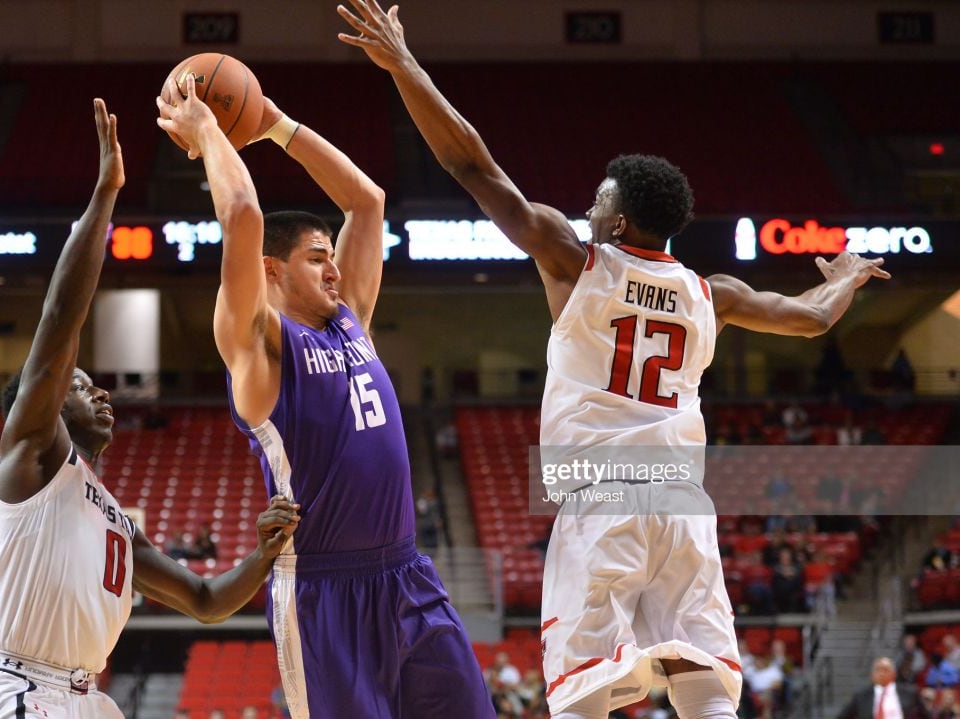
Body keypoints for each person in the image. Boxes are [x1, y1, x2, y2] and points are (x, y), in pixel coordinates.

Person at [337, 4, 891, 717]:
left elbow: (470, 163)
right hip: (683, 503)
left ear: (620, 220)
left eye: (600, 197)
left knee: (582, 689)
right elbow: (812, 317)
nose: (590, 204)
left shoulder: (578, 262)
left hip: (604, 498)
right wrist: (844, 275)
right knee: (701, 678)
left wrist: (404, 66)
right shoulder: (709, 291)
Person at [156, 75, 492, 719]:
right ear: (271, 270)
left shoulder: (351, 322)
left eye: (332, 255)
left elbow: (367, 201)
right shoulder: (259, 346)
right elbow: (245, 217)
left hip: (407, 574)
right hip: (324, 591)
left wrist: (277, 122)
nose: (335, 268)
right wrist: (208, 131)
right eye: (317, 257)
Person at [0, 99, 300, 719]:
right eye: (83, 386)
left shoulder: (114, 517)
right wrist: (105, 196)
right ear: (48, 403)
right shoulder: (32, 453)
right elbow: (62, 319)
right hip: (21, 688)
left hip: (86, 696)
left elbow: (203, 598)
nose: (102, 393)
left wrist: (264, 551)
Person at [837, 657, 929, 719]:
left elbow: (926, 716)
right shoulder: (861, 697)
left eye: (885, 670)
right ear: (872, 674)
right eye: (878, 669)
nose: (882, 673)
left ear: (894, 674)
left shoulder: (910, 693)